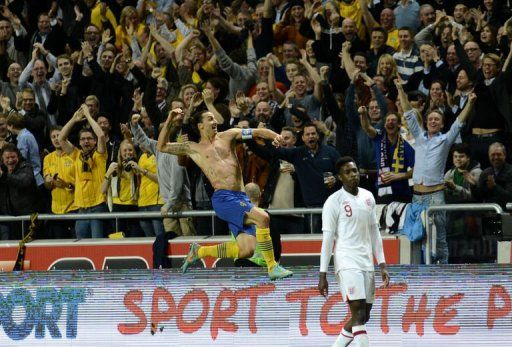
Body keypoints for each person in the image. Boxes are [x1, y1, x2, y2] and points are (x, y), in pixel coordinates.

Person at [157, 108, 292, 280]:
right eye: (210, 119)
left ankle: (200, 251)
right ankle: (273, 267)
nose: (214, 122)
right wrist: (169, 118)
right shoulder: (193, 148)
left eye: (214, 119)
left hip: (241, 198)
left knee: (247, 250)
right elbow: (161, 146)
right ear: (200, 125)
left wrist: (275, 136)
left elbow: (258, 131)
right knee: (263, 217)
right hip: (223, 198)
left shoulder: (229, 135)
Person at [396, 80, 476, 264]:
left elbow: (459, 123)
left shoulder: (446, 140)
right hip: (416, 195)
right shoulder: (419, 136)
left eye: (437, 120)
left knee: (439, 237)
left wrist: (470, 103)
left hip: (435, 196)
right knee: (416, 235)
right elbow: (408, 113)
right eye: (430, 119)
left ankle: (443, 272)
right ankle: (419, 272)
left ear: (441, 125)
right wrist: (400, 88)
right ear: (426, 122)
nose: (433, 121)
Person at [318, 156, 390, 347]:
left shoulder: (368, 197)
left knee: (364, 316)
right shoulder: (334, 202)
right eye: (347, 172)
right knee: (357, 313)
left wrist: (382, 264)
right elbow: (328, 239)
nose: (353, 175)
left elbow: (375, 232)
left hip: (367, 262)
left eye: (355, 170)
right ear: (340, 177)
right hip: (347, 261)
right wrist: (322, 274)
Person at [58, 104, 108, 238]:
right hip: (81, 209)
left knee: (97, 246)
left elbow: (101, 136)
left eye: (89, 139)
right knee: (82, 247)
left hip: (98, 207)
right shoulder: (76, 155)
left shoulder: (100, 155)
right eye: (83, 139)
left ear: (94, 141)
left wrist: (88, 116)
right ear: (79, 142)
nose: (86, 141)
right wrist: (74, 119)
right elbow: (61, 139)